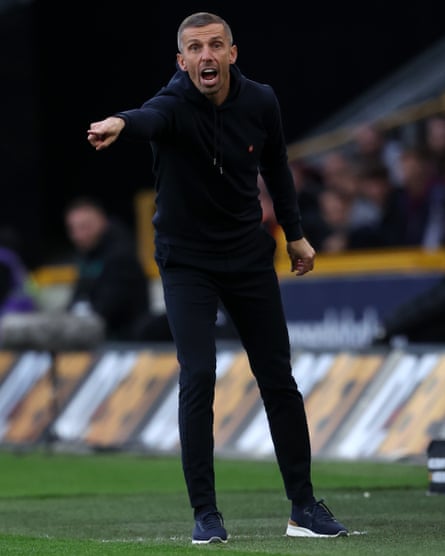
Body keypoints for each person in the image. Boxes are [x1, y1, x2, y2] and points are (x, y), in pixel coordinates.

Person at [87, 12, 348, 543]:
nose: (206, 55)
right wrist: (120, 121)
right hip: (186, 262)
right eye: (194, 48)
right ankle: (206, 515)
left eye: (215, 45)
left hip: (249, 256)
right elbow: (149, 116)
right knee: (198, 375)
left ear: (232, 53)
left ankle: (303, 508)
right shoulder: (174, 103)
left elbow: (276, 166)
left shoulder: (261, 101)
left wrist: (294, 234)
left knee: (278, 377)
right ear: (182, 62)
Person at [64, 196, 172, 342]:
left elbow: (110, 307)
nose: (79, 235)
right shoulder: (86, 255)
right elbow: (79, 296)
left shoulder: (120, 253)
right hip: (103, 331)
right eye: (74, 229)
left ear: (102, 220)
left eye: (85, 227)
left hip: (125, 337)